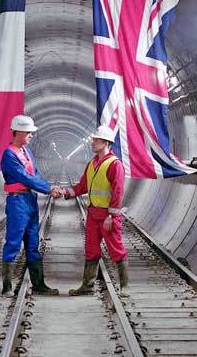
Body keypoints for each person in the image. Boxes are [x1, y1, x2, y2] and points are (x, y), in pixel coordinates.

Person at [60, 125, 130, 297]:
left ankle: (125, 287)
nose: (93, 142)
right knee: (91, 250)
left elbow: (118, 192)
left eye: (96, 140)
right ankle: (87, 286)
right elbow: (83, 186)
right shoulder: (92, 164)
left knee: (116, 249)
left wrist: (112, 216)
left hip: (107, 216)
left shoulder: (115, 165)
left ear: (106, 142)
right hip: (93, 215)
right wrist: (66, 192)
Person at [0, 114, 62, 297]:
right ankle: (7, 287)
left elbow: (35, 174)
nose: (31, 135)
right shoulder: (9, 154)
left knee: (33, 243)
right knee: (13, 242)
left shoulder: (27, 152)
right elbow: (24, 177)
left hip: (30, 200)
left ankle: (39, 284)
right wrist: (49, 188)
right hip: (17, 202)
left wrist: (47, 187)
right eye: (28, 132)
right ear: (17, 131)